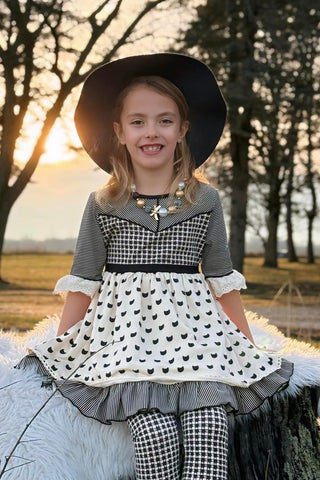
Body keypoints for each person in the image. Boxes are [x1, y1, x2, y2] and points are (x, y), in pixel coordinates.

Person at [19, 53, 293, 480]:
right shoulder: (104, 203)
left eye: (165, 121)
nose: (152, 131)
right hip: (126, 341)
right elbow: (84, 280)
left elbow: (222, 279)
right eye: (139, 121)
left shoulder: (205, 201)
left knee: (209, 427)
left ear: (183, 130)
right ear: (120, 132)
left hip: (195, 337)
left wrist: (245, 345)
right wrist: (63, 348)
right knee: (155, 434)